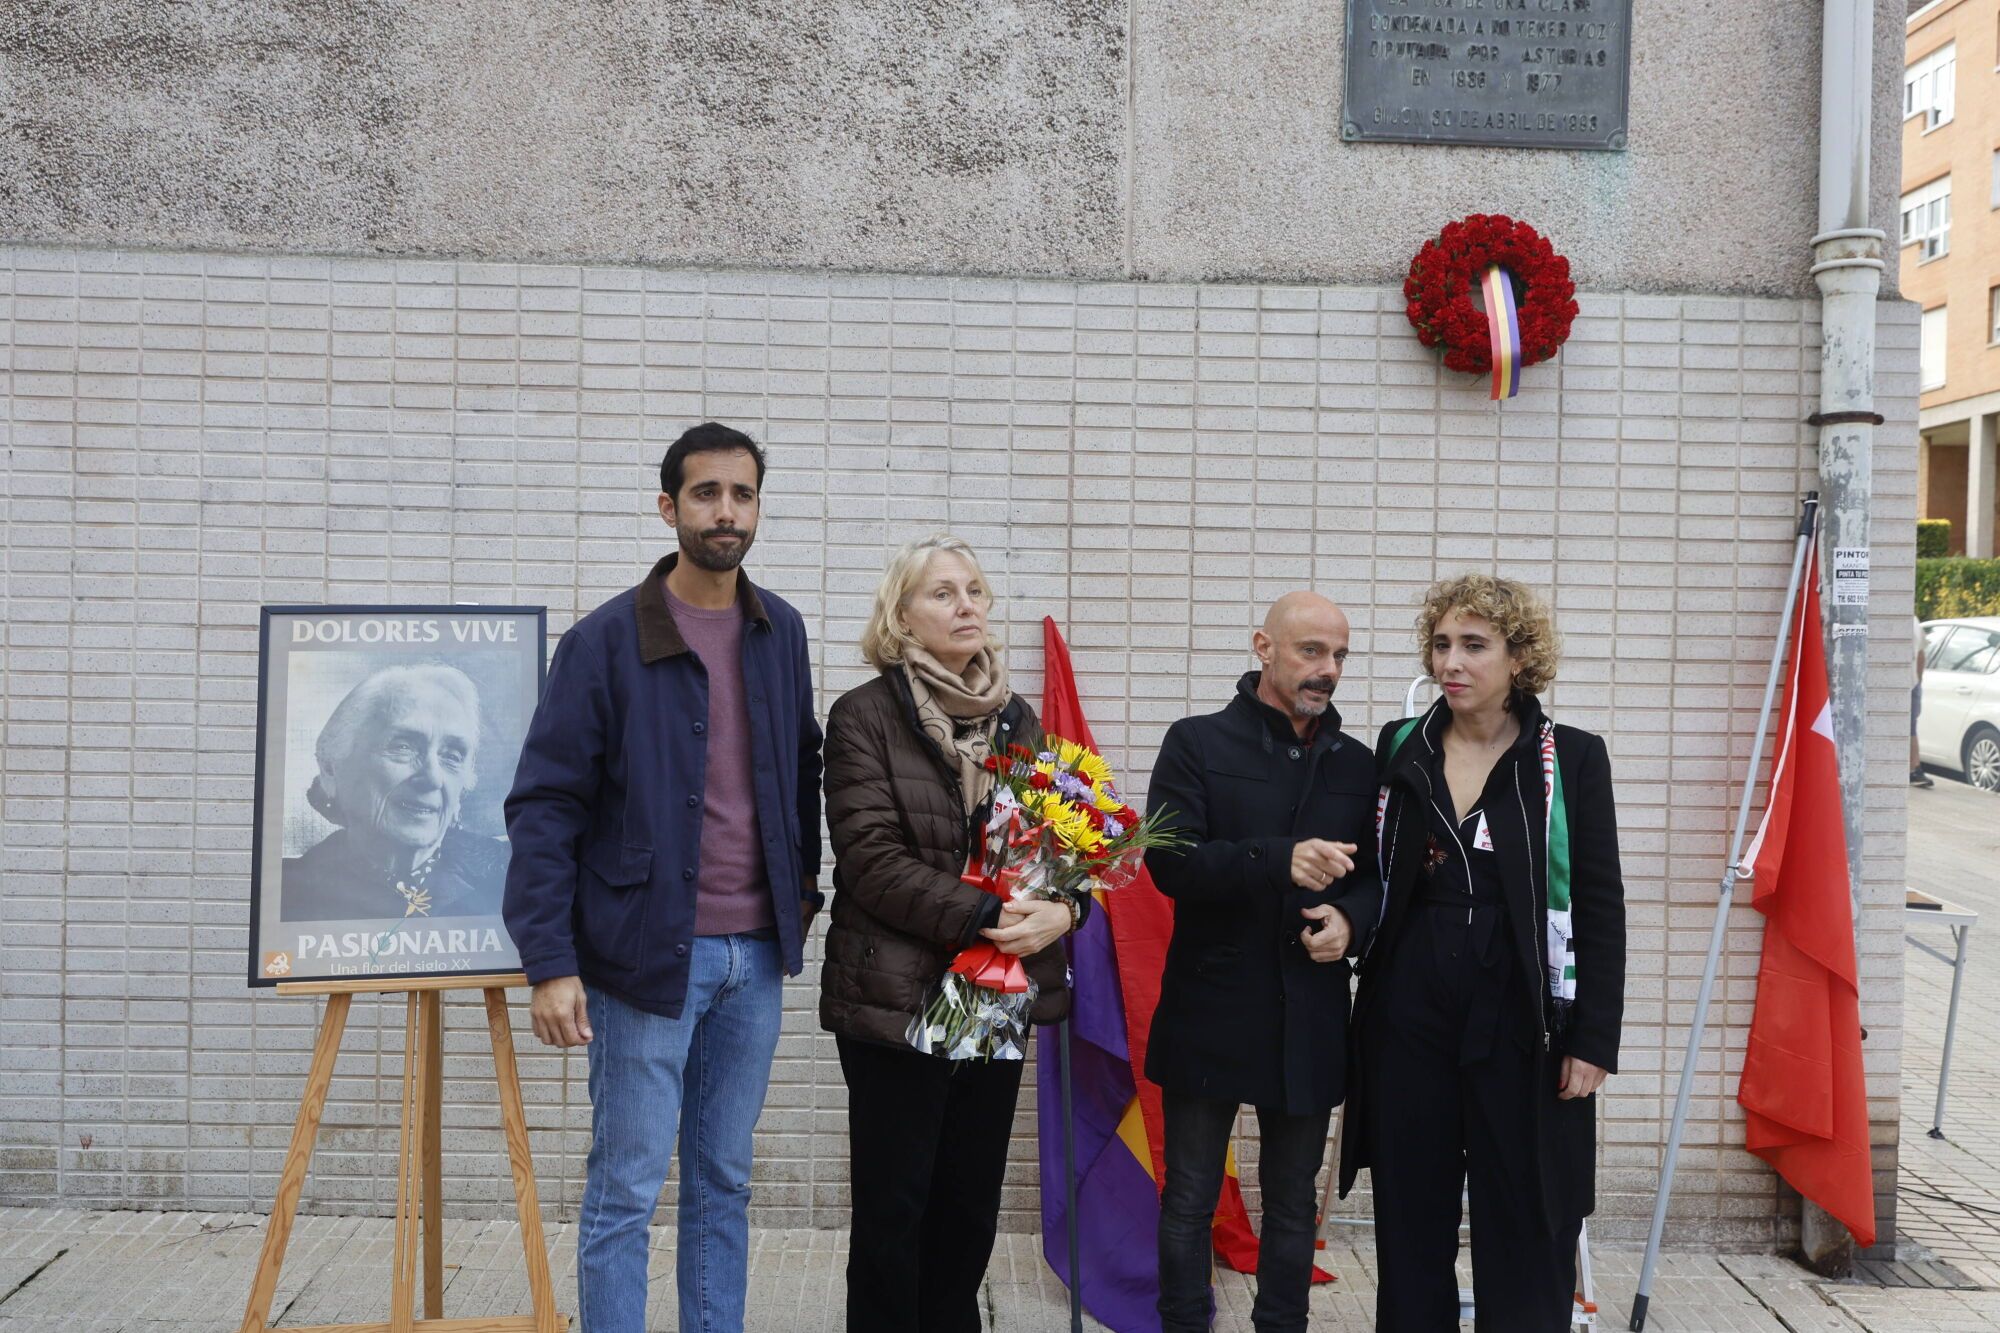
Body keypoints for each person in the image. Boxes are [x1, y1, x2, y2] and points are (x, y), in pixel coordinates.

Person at [501, 422, 823, 1333]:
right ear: (669, 506)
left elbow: (803, 767)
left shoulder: (779, 629)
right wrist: (550, 961)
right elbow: (544, 805)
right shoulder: (605, 640)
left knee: (723, 1179)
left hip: (753, 959)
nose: (727, 511)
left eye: (743, 494)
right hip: (645, 960)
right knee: (626, 1187)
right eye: (707, 492)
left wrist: (802, 891)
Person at [1338, 575, 1626, 1332]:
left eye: (1474, 645)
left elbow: (1599, 906)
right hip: (1410, 1011)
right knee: (1410, 1218)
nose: (1451, 662)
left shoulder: (1572, 760)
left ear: (1520, 657)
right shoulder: (1400, 746)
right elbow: (1377, 873)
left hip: (1522, 1017)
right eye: (1441, 644)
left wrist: (1593, 1038)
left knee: (1529, 1216)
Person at [818, 534, 1083, 1333]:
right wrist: (994, 916)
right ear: (902, 617)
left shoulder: (1016, 718)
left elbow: (1063, 844)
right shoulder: (863, 714)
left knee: (969, 1204)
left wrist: (1067, 908)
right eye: (943, 593)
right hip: (896, 998)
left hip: (990, 997)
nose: (967, 604)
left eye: (973, 590)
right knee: (898, 1208)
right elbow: (870, 861)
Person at [1143, 591, 1382, 1333]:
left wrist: (1351, 920)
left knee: (1292, 1202)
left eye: (1339, 654)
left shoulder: (1360, 763)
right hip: (1210, 1006)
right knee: (1187, 1196)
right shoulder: (1196, 742)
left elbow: (1382, 878)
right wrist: (1279, 860)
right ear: (1264, 646)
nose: (1328, 668)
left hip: (1308, 1013)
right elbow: (1169, 862)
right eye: (1312, 650)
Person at [282, 663, 506, 922]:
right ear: (331, 768)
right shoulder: (291, 895)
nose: (433, 778)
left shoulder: (507, 879)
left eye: (452, 756)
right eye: (403, 746)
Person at [1913, 616, 1934, 787]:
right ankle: (1914, 768)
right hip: (1911, 681)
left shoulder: (1912, 621)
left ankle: (1914, 768)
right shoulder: (1913, 621)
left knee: (1910, 727)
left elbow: (1920, 655)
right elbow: (1921, 655)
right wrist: (1918, 682)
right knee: (1910, 727)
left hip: (1910, 683)